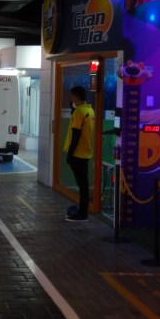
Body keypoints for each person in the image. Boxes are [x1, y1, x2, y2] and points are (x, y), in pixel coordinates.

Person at [63, 86, 95, 221]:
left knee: (82, 185)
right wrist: (73, 109)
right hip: (86, 152)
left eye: (73, 96)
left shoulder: (79, 113)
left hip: (77, 153)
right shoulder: (89, 111)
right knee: (84, 184)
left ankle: (82, 213)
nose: (72, 98)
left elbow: (75, 134)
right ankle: (83, 210)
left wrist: (70, 154)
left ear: (76, 97)